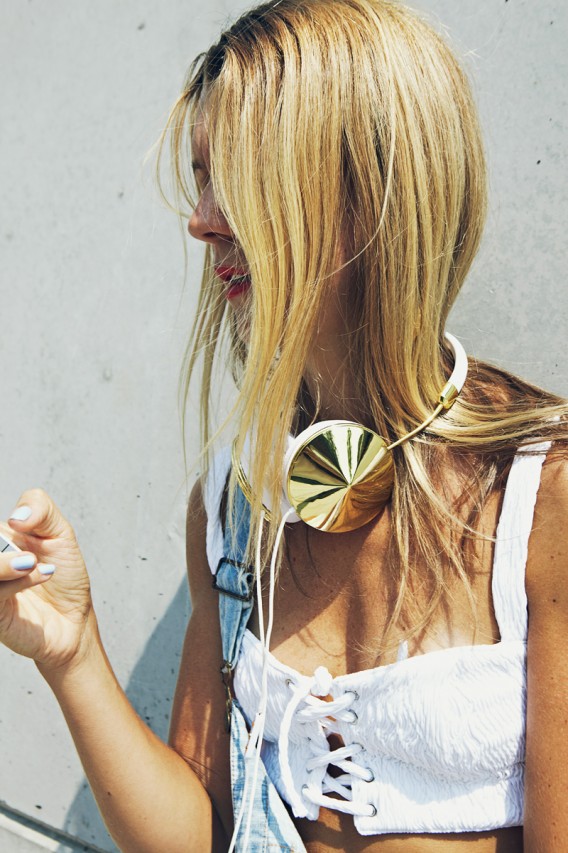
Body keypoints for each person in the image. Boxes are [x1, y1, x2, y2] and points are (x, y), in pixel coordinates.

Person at [1, 1, 567, 851]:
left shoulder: (538, 498)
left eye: (237, 175)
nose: (200, 219)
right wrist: (71, 651)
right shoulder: (235, 500)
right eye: (201, 178)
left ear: (368, 190)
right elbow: (199, 834)